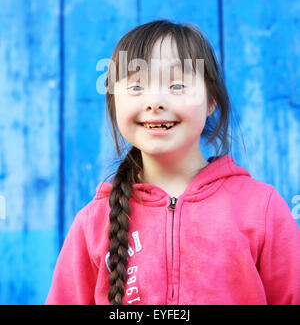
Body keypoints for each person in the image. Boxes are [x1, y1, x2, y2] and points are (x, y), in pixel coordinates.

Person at [45, 19, 300, 305]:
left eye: (177, 85)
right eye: (136, 87)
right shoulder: (92, 223)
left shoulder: (261, 209)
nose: (154, 102)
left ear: (211, 99)